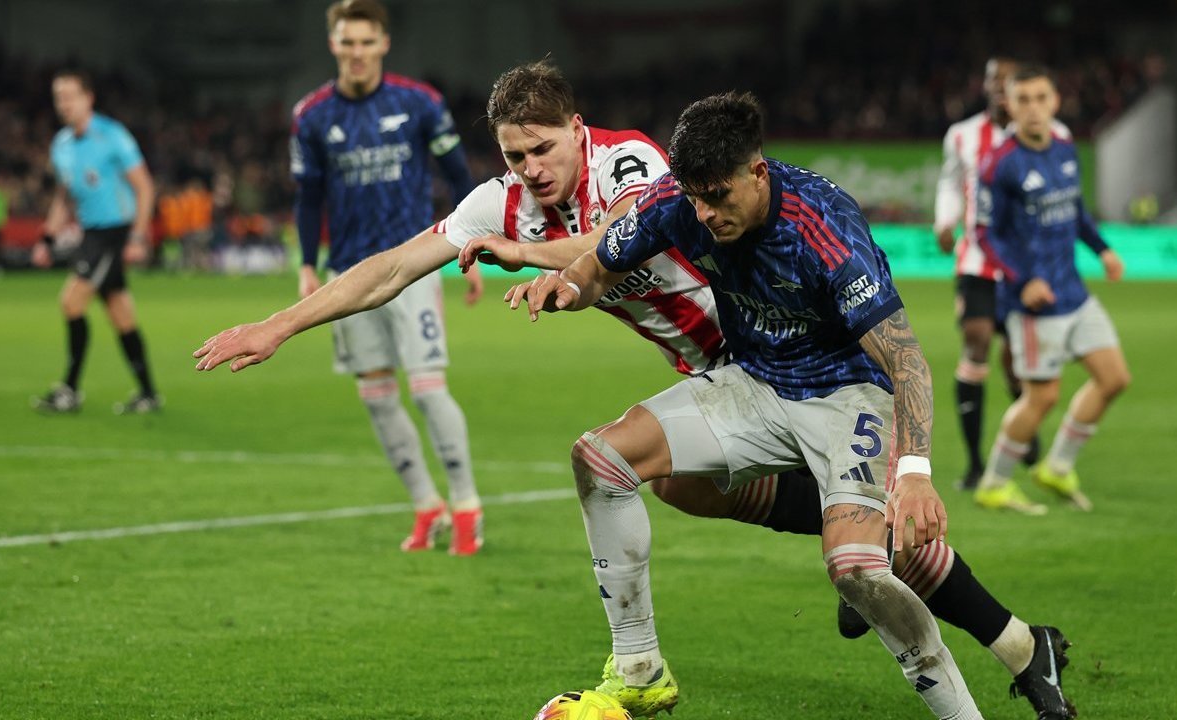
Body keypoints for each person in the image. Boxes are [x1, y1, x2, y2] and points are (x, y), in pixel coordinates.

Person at [197, 64, 1074, 718]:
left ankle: (1009, 640)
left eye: (544, 148)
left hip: (806, 366)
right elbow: (390, 268)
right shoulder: (503, 205)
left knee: (866, 548)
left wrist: (540, 262)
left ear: (579, 131)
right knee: (678, 486)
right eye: (514, 156)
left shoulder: (632, 165)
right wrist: (277, 325)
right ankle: (669, 658)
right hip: (732, 381)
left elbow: (630, 229)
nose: (532, 169)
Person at [509, 92, 981, 719]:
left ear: (756, 172)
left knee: (856, 572)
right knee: (599, 458)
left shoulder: (822, 224)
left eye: (718, 196)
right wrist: (568, 286)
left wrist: (915, 472)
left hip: (847, 395)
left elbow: (908, 361)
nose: (704, 214)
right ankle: (639, 667)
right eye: (695, 198)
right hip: (755, 383)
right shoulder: (677, 203)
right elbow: (599, 262)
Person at [289, 0, 484, 554]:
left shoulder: (420, 103)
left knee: (427, 388)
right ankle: (427, 506)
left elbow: (457, 177)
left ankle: (467, 504)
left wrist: (470, 248)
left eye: (366, 42)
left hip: (412, 263)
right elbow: (308, 199)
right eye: (347, 42)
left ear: (383, 43)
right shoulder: (311, 116)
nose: (356, 53)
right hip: (347, 273)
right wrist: (307, 264)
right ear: (333, 45)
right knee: (376, 396)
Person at [973, 63, 1129, 514]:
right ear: (1010, 105)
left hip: (1074, 292)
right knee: (1042, 396)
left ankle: (1057, 467)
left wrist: (1104, 250)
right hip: (1034, 304)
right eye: (1023, 100)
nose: (1034, 109)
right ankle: (994, 483)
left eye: (1041, 98)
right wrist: (1025, 280)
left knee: (1114, 378)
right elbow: (987, 234)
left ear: (1055, 102)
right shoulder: (1000, 164)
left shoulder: (1064, 149)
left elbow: (1076, 212)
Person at [934, 57, 1072, 489]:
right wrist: (945, 220)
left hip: (1026, 267)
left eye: (1007, 82)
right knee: (976, 342)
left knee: (1017, 363)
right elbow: (950, 183)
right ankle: (975, 465)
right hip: (977, 259)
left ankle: (1024, 440)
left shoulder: (1056, 135)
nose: (998, 88)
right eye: (993, 80)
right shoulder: (962, 135)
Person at [31, 69, 159, 415]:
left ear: (89, 98)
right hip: (91, 234)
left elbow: (144, 187)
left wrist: (136, 236)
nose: (64, 104)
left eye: (71, 96)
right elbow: (64, 197)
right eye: (59, 97)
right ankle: (148, 394)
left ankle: (70, 390)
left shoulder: (112, 136)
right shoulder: (61, 145)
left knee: (71, 302)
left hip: (114, 233)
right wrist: (47, 237)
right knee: (121, 315)